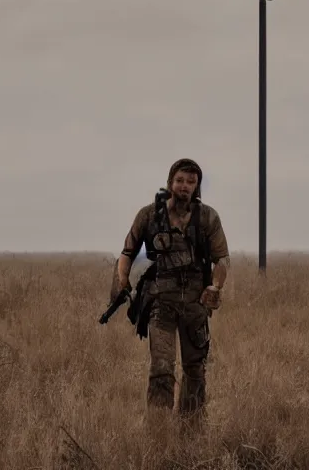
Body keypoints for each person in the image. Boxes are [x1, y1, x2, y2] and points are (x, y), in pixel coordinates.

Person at [113, 158, 230, 427]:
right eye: (180, 180)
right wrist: (123, 282)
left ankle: (191, 430)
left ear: (197, 185)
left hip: (194, 304)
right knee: (161, 370)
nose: (185, 186)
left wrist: (215, 286)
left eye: (191, 181)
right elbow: (127, 252)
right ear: (170, 182)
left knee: (195, 370)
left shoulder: (208, 217)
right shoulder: (149, 215)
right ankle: (159, 430)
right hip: (160, 304)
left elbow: (222, 259)